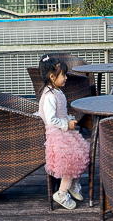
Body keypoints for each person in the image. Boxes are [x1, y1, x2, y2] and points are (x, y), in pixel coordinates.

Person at [36, 54, 91, 210]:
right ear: (52, 77)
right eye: (63, 75)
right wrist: (66, 124)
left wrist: (68, 122)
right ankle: (61, 192)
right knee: (70, 158)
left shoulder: (57, 92)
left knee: (82, 149)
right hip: (56, 133)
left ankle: (73, 183)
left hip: (64, 130)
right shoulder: (49, 96)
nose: (66, 77)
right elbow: (50, 119)